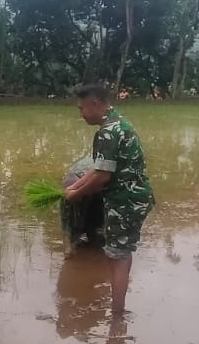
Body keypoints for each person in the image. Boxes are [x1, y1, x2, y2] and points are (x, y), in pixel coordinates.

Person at [64, 83, 155, 315]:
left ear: (95, 104)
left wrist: (75, 194)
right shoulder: (119, 123)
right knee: (119, 253)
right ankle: (118, 307)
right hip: (133, 198)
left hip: (126, 201)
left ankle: (117, 315)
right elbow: (97, 170)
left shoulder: (108, 132)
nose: (80, 114)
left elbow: (102, 176)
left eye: (81, 108)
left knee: (119, 257)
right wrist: (74, 186)